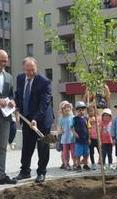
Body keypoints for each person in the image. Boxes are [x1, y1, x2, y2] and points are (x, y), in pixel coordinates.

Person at [15, 57, 54, 183]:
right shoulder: (20, 78)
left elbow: (45, 103)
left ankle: (41, 172)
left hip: (43, 121)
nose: (30, 73)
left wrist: (36, 119)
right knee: (27, 146)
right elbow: (19, 95)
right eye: (28, 70)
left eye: (33, 70)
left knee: (43, 147)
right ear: (24, 68)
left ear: (36, 68)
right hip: (27, 119)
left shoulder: (44, 82)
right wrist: (15, 105)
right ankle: (25, 171)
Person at [0, 50, 17, 185]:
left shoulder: (9, 77)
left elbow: (11, 95)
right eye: (1, 60)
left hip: (4, 117)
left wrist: (12, 101)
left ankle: (1, 175)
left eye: (5, 60)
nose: (3, 63)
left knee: (3, 147)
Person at [71, 101, 90, 171]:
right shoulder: (74, 119)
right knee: (78, 154)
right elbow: (72, 127)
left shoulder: (86, 119)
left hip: (85, 139)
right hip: (78, 140)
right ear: (76, 110)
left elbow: (88, 128)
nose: (81, 111)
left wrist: (89, 138)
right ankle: (78, 165)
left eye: (83, 110)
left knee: (86, 153)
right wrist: (74, 133)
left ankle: (85, 164)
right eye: (79, 110)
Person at [58, 101, 75, 171]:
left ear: (70, 108)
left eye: (68, 107)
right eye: (64, 108)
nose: (67, 109)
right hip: (64, 138)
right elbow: (59, 127)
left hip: (72, 138)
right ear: (62, 110)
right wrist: (60, 131)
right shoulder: (61, 118)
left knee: (73, 151)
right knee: (65, 152)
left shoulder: (73, 117)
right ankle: (66, 163)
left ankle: (75, 163)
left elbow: (75, 126)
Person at [87, 105, 100, 170]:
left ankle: (101, 162)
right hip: (91, 139)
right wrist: (89, 138)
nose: (91, 112)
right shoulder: (88, 120)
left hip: (97, 138)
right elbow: (88, 130)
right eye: (89, 111)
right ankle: (93, 164)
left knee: (100, 151)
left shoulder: (98, 118)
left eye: (92, 111)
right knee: (91, 152)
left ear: (95, 111)